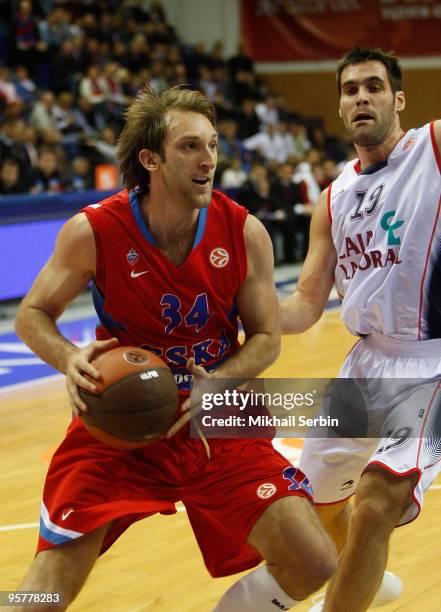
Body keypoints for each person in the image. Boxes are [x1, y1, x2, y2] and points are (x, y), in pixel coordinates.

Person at [12, 86, 336, 612]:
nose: (208, 158)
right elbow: (31, 314)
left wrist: (221, 381)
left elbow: (266, 337)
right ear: (151, 159)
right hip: (119, 427)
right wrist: (68, 358)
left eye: (212, 144)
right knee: (40, 596)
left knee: (314, 561)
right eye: (190, 146)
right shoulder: (93, 230)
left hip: (216, 418)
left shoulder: (245, 232)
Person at [280, 46, 441, 612]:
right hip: (364, 362)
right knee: (312, 505)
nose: (361, 97)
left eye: (374, 86)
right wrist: (242, 310)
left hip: (431, 363)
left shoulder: (434, 150)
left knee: (375, 505)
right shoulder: (334, 195)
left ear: (398, 100)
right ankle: (372, 582)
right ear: (342, 107)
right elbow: (303, 302)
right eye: (350, 90)